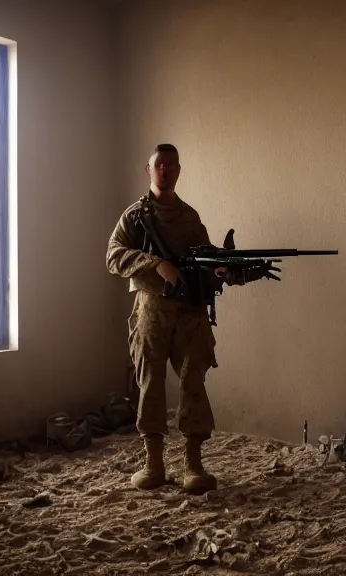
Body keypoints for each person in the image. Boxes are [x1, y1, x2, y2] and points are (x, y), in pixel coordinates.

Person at [105, 143, 236, 495]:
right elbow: (114, 256)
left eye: (172, 165)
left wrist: (223, 270)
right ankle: (154, 463)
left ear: (179, 170)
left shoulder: (190, 218)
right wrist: (154, 264)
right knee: (150, 382)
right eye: (160, 165)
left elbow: (205, 265)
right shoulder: (134, 217)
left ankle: (193, 464)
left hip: (190, 313)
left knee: (194, 380)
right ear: (149, 170)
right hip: (152, 308)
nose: (166, 170)